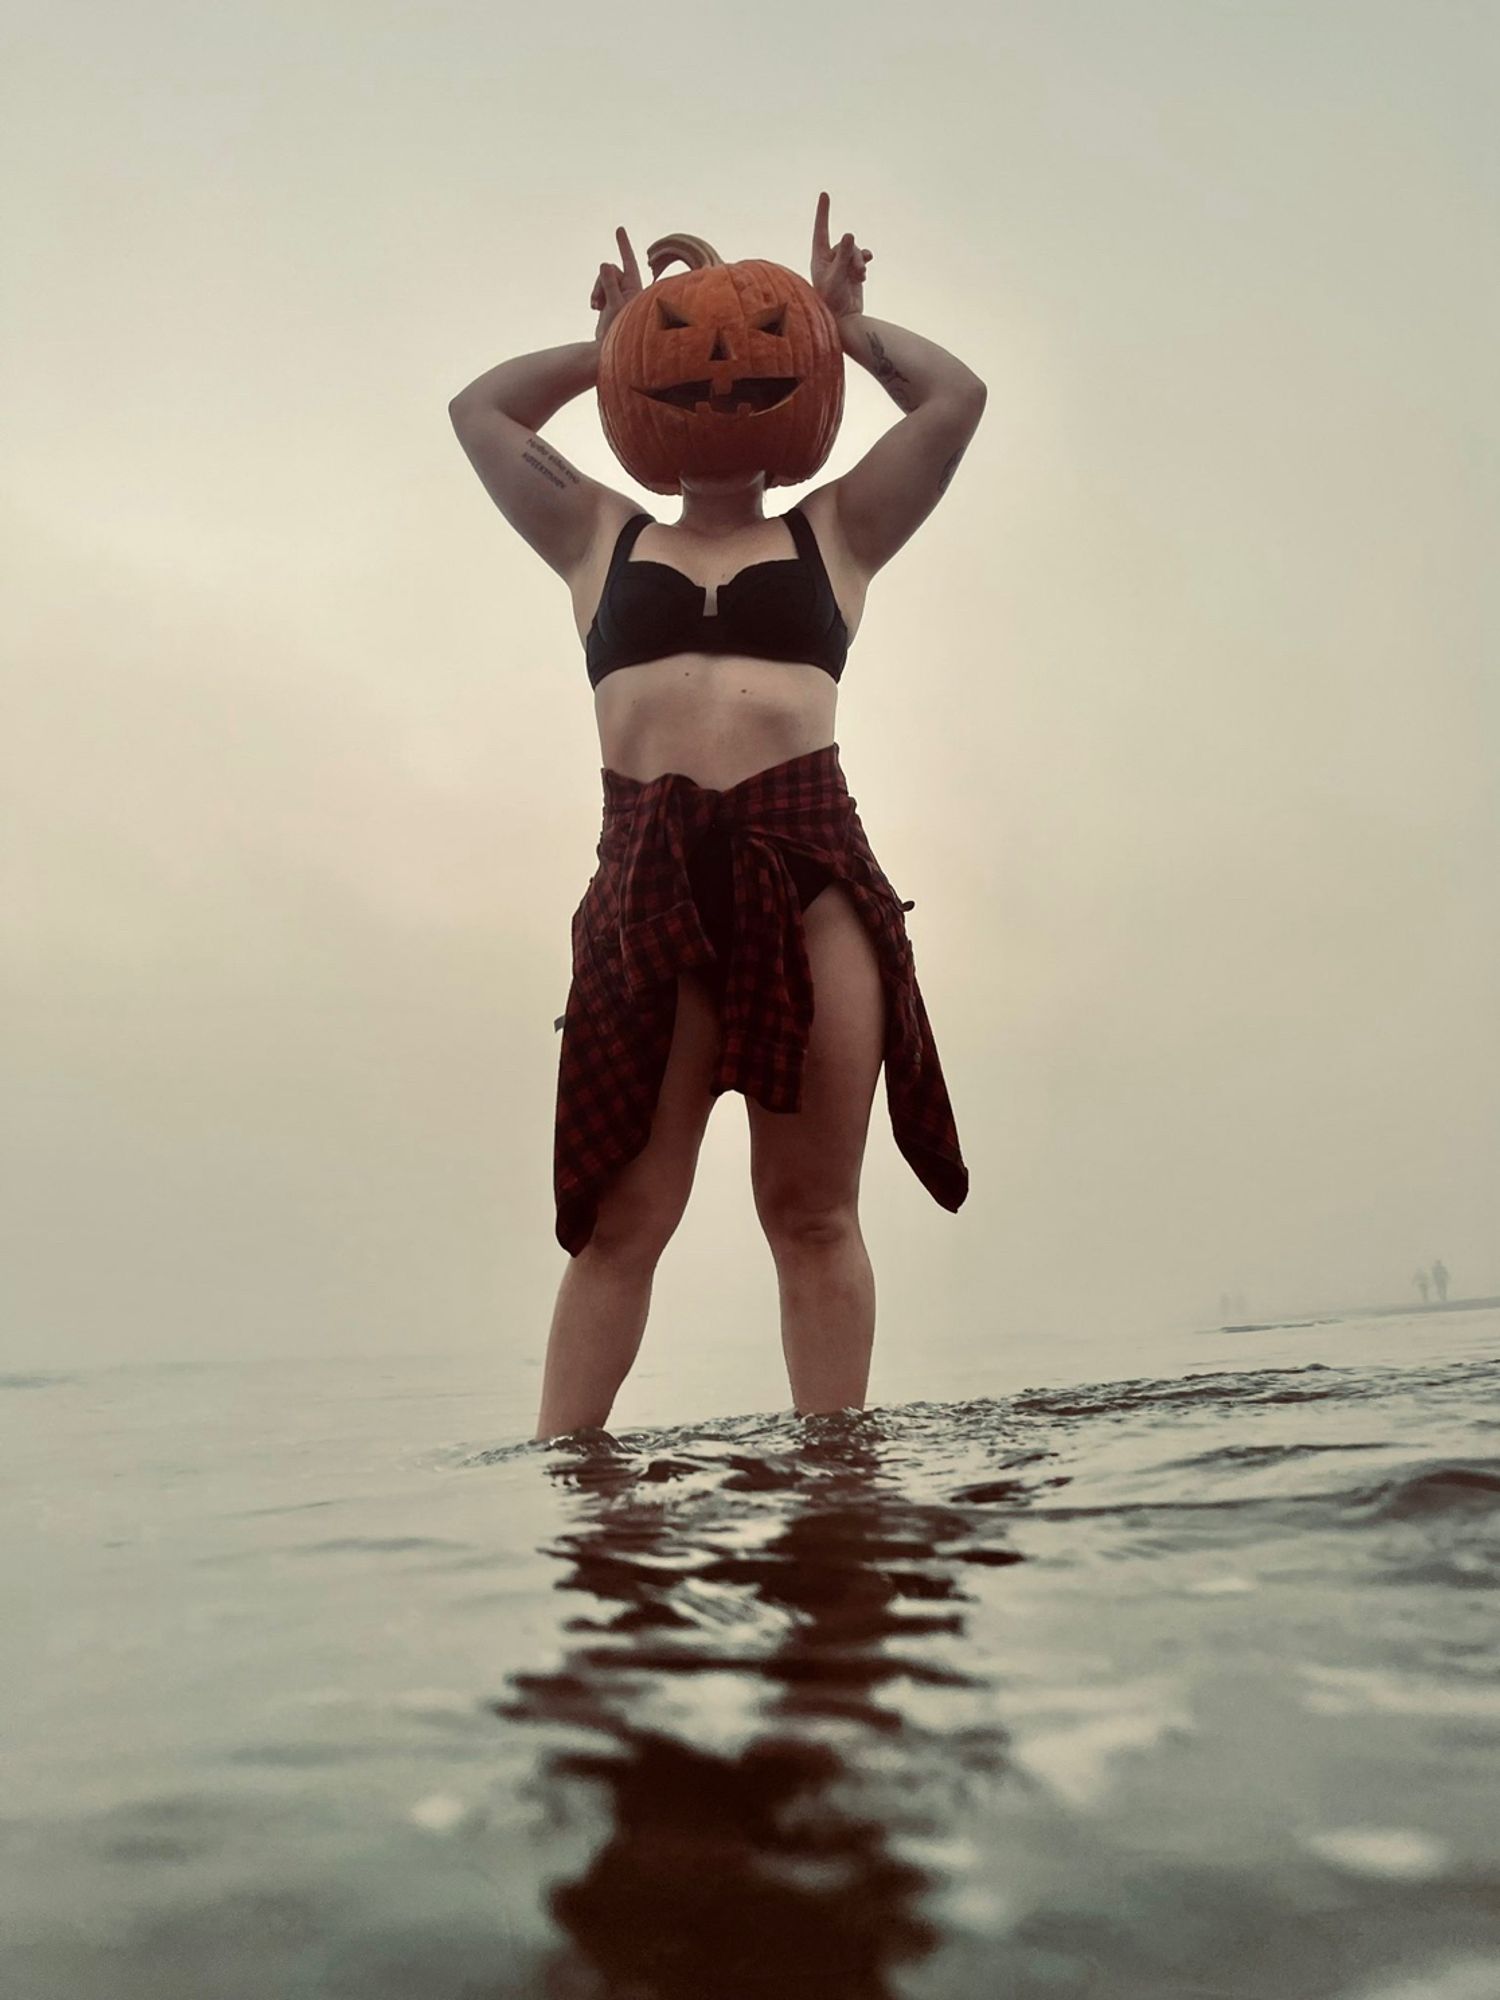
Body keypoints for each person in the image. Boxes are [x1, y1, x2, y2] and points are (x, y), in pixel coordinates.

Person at [449, 193, 985, 1439]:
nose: (722, 379)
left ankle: (833, 1474)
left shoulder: (840, 529)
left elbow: (954, 402)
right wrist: (613, 347)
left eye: (753, 360)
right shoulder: (593, 533)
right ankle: (568, 1477)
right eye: (688, 356)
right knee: (626, 1219)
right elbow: (479, 412)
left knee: (810, 1210)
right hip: (648, 872)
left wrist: (845, 328)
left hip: (805, 861)